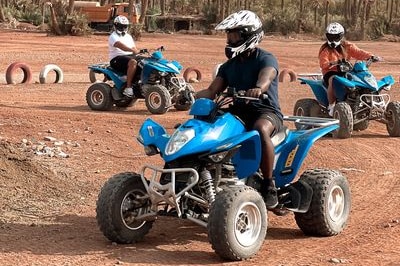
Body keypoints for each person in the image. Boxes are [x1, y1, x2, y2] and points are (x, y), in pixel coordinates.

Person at [196, 10, 283, 209]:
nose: (230, 39)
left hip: (266, 112)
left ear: (249, 35)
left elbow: (266, 78)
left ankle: (269, 184)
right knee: (206, 125)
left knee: (260, 129)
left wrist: (258, 89)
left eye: (234, 35)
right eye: (229, 35)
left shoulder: (266, 59)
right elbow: (211, 91)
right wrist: (190, 95)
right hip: (238, 113)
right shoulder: (229, 66)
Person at [319, 22, 379, 116]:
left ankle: (364, 100)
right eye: (330, 36)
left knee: (359, 76)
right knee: (333, 79)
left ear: (341, 36)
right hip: (330, 72)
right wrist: (333, 63)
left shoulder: (347, 46)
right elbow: (323, 64)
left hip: (345, 70)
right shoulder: (325, 50)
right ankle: (331, 106)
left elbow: (359, 52)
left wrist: (371, 56)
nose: (333, 39)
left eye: (335, 37)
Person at [108, 15, 140, 98]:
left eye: (124, 26)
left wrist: (138, 52)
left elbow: (134, 48)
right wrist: (133, 51)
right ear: (116, 25)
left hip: (129, 57)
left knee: (145, 61)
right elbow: (120, 46)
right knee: (133, 62)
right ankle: (128, 88)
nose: (122, 28)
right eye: (120, 26)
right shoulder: (113, 36)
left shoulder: (128, 36)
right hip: (116, 59)